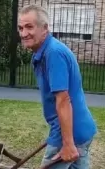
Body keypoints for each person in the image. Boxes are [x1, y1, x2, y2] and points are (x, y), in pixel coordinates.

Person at [17, 4, 97, 169]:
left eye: (29, 27)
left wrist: (67, 144)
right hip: (82, 129)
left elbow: (63, 100)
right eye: (20, 28)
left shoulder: (53, 53)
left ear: (44, 28)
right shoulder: (45, 51)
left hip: (69, 134)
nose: (24, 33)